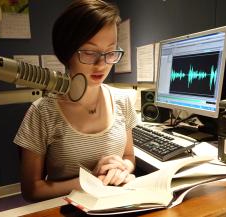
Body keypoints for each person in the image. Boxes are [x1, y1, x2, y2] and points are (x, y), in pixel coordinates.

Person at [14, 0, 138, 202]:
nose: (102, 64)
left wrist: (124, 168)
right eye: (89, 53)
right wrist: (91, 181)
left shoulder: (123, 101)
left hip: (117, 203)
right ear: (66, 52)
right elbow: (32, 190)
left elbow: (129, 157)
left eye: (110, 52)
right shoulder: (42, 112)